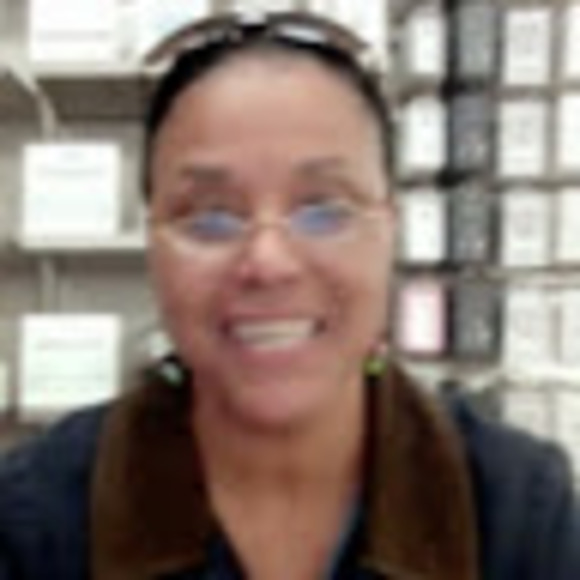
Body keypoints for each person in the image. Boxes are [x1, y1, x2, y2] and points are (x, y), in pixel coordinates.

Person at [0, 10, 579, 580]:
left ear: (391, 229)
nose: (268, 262)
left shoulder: (516, 510)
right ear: (152, 244)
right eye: (210, 217)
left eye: (324, 210)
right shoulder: (37, 518)